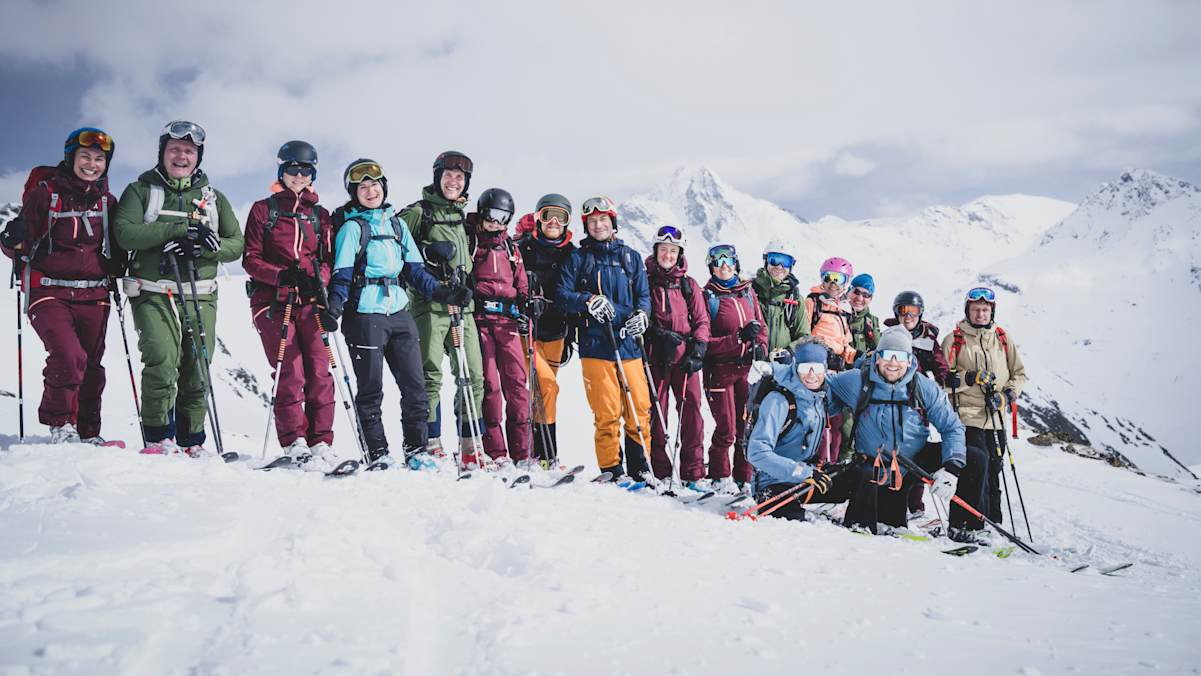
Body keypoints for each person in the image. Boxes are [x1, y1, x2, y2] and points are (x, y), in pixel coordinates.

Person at [112, 120, 244, 455]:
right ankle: (159, 436)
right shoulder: (140, 191)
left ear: (198, 156)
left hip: (200, 291)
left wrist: (203, 247)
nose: (181, 156)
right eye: (175, 150)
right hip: (152, 289)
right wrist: (176, 230)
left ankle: (191, 441)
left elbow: (236, 244)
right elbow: (124, 233)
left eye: (189, 151)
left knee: (198, 366)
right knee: (161, 359)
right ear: (163, 153)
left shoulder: (214, 198)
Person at [325, 159, 454, 469]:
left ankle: (416, 451)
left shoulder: (396, 225)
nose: (371, 191)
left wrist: (440, 292)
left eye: (375, 185)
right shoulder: (352, 229)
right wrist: (334, 307)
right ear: (354, 193)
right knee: (371, 390)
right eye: (363, 187)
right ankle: (378, 453)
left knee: (416, 386)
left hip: (399, 313)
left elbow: (415, 270)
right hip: (365, 316)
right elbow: (341, 273)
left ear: (384, 187)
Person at [0, 128, 125, 444]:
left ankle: (87, 433)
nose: (92, 164)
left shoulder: (108, 202)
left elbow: (119, 248)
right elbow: (18, 240)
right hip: (48, 291)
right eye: (85, 156)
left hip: (94, 293)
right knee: (69, 356)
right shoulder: (45, 193)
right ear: (71, 158)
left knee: (92, 367)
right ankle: (61, 424)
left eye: (99, 159)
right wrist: (9, 238)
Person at [822, 326, 990, 542]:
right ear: (877, 357)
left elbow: (952, 427)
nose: (893, 362)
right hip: (878, 466)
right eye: (886, 355)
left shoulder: (923, 387)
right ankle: (885, 520)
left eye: (900, 356)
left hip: (915, 459)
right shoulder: (857, 381)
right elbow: (818, 383)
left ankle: (966, 527)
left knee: (975, 458)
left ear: (909, 360)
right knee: (890, 524)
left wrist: (951, 469)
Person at [241, 141, 340, 470]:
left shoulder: (320, 215)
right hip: (273, 302)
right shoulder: (263, 210)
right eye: (292, 170)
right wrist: (282, 276)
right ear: (281, 171)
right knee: (290, 371)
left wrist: (318, 279)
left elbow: (327, 260)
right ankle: (293, 441)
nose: (299, 176)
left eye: (305, 171)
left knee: (319, 371)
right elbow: (251, 259)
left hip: (310, 302)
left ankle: (321, 442)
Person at [555, 196, 653, 481]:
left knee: (639, 410)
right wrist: (587, 301)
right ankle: (612, 469)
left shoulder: (630, 257)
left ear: (613, 223)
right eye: (593, 221)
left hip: (628, 345)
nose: (598, 225)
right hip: (596, 345)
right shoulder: (578, 258)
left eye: (603, 220)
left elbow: (643, 296)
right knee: (607, 412)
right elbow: (562, 295)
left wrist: (642, 315)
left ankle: (641, 469)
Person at [399, 151, 484, 461]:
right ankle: (429, 443)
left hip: (463, 306)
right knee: (429, 374)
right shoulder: (419, 213)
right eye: (447, 175)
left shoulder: (464, 218)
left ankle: (470, 446)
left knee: (473, 375)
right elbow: (393, 245)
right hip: (429, 305)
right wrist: (425, 251)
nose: (453, 181)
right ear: (437, 178)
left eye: (459, 177)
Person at [942, 286, 1028, 524]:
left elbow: (1019, 374)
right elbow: (943, 381)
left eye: (985, 309)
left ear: (992, 311)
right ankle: (970, 522)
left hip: (995, 414)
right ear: (967, 311)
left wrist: (1007, 396)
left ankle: (994, 522)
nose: (980, 314)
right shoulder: (954, 340)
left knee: (994, 469)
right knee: (975, 469)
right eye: (975, 309)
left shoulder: (1002, 337)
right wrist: (969, 378)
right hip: (967, 415)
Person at [642, 225, 710, 486]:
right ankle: (660, 472)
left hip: (685, 359)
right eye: (663, 250)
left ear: (679, 254)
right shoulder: (646, 281)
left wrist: (699, 348)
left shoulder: (689, 285)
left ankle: (693, 475)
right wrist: (657, 336)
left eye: (673, 251)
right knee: (657, 416)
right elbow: (640, 314)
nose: (668, 255)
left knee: (692, 416)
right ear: (656, 251)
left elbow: (702, 320)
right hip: (656, 356)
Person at [468, 188, 531, 468]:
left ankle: (523, 453)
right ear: (483, 212)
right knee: (490, 387)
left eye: (504, 217)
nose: (497, 222)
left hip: (508, 324)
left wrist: (528, 306)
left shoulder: (511, 249)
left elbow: (521, 285)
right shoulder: (472, 242)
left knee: (517, 386)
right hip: (481, 322)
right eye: (493, 215)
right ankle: (497, 452)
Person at [702, 244, 768, 494]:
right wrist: (738, 338)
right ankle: (719, 476)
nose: (724, 266)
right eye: (718, 262)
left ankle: (744, 478)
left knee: (746, 427)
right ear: (712, 267)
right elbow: (704, 341)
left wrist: (760, 346)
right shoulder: (707, 296)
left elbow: (760, 326)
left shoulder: (747, 292)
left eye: (728, 260)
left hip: (745, 370)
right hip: (718, 370)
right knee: (726, 428)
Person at [515, 194, 577, 464]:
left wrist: (571, 336)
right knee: (546, 386)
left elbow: (575, 291)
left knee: (546, 393)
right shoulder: (522, 248)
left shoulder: (571, 253)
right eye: (548, 214)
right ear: (537, 217)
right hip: (527, 329)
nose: (553, 221)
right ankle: (545, 454)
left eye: (560, 217)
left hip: (556, 332)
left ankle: (539, 454)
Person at [745, 342, 836, 520]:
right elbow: (756, 453)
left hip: (806, 478)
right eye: (805, 367)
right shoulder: (778, 401)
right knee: (796, 526)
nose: (811, 374)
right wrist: (804, 472)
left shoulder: (820, 397)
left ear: (825, 369)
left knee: (859, 479)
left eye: (816, 368)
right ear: (795, 367)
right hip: (773, 482)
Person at [805, 256, 857, 464]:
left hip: (838, 371)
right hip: (818, 370)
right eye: (828, 277)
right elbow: (803, 333)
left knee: (836, 422)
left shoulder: (844, 309)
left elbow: (845, 344)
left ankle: (832, 465)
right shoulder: (813, 302)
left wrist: (856, 356)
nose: (833, 283)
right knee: (820, 420)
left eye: (839, 278)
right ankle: (818, 464)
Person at [840, 272, 881, 461]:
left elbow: (878, 352)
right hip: (836, 378)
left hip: (861, 385)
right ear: (849, 291)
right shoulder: (837, 313)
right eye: (857, 292)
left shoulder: (871, 323)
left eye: (866, 295)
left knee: (853, 430)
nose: (860, 298)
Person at [751, 239, 810, 362]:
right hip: (753, 363)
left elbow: (804, 336)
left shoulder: (795, 298)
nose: (779, 266)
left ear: (791, 265)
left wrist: (789, 352)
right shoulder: (751, 291)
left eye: (785, 262)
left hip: (783, 367)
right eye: (774, 260)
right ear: (766, 261)